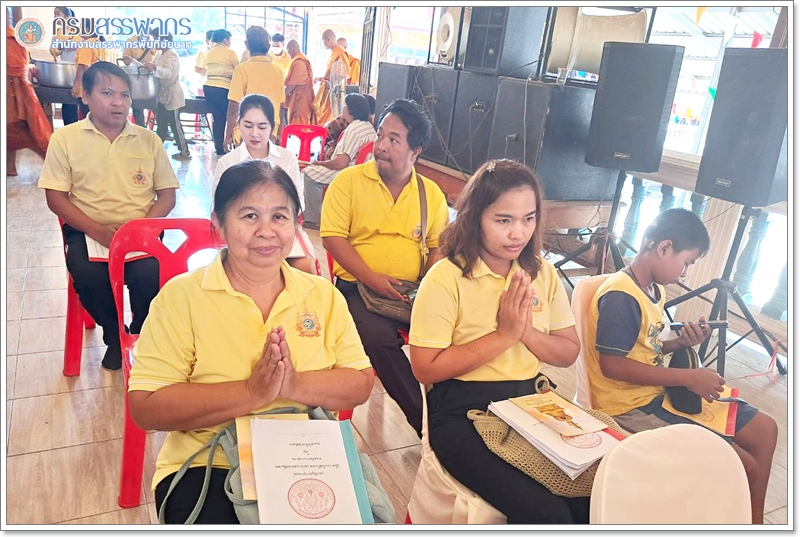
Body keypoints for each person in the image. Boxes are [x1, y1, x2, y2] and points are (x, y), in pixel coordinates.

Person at [127, 159, 374, 524]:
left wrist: (296, 384)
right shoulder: (182, 297)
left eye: (279, 216)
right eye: (248, 216)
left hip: (304, 455)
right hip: (209, 459)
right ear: (218, 225)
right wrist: (252, 392)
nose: (266, 231)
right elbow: (146, 406)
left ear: (296, 223)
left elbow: (360, 383)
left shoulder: (322, 295)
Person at [409, 159, 589, 524]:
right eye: (503, 220)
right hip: (463, 411)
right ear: (475, 217)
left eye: (529, 218)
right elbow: (424, 367)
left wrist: (525, 332)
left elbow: (568, 352)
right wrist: (504, 335)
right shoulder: (447, 277)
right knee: (547, 514)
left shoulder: (542, 272)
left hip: (530, 402)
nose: (517, 233)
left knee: (594, 496)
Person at [584, 208, 778, 524]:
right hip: (630, 406)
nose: (685, 273)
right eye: (686, 263)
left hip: (660, 391)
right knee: (744, 466)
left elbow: (648, 348)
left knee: (765, 428)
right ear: (663, 248)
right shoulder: (621, 296)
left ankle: (752, 523)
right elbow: (613, 366)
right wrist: (688, 377)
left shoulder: (653, 290)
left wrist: (683, 343)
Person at [37, 61, 179, 370]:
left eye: (125, 95)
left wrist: (140, 230)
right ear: (85, 96)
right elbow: (55, 198)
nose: (118, 102)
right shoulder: (65, 139)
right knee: (88, 277)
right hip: (88, 233)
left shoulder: (148, 140)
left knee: (152, 276)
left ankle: (141, 334)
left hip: (141, 233)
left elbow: (167, 196)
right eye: (107, 93)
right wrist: (98, 231)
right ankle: (115, 336)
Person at [321, 98, 449, 436]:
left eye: (394, 140)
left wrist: (428, 285)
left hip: (410, 294)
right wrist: (373, 279)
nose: (381, 146)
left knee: (464, 328)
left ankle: (461, 414)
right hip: (357, 291)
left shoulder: (430, 194)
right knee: (378, 340)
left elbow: (439, 247)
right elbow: (333, 240)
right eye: (380, 136)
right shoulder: (348, 182)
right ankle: (431, 428)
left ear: (415, 152)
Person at [213, 94, 316, 275]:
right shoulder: (228, 163)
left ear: (272, 127)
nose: (254, 134)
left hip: (279, 231)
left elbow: (298, 203)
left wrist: (277, 218)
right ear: (238, 125)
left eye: (262, 127)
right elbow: (217, 207)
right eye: (248, 125)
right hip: (243, 233)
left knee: (305, 267)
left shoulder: (287, 158)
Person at [302, 93, 375, 227]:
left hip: (347, 172)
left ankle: (314, 219)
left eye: (344, 106)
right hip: (362, 171)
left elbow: (340, 163)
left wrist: (319, 163)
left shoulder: (354, 130)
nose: (343, 108)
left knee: (308, 173)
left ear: (351, 110)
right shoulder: (368, 127)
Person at [224, 26, 284, 150]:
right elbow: (281, 105)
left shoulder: (242, 69)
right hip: (269, 130)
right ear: (268, 47)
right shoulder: (277, 71)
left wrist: (228, 134)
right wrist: (279, 133)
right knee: (264, 168)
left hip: (245, 131)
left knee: (245, 168)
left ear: (247, 44)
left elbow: (234, 106)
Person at [7, 19, 52, 176]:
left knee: (33, 134)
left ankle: (59, 169)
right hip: (13, 92)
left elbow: (16, 67)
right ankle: (9, 166)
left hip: (15, 93)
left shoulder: (11, 38)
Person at [144, 33, 191, 161]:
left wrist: (154, 67)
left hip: (172, 94)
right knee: (162, 124)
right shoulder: (159, 54)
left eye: (156, 40)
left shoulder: (172, 55)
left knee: (175, 125)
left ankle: (184, 151)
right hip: (162, 94)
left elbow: (168, 73)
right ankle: (157, 150)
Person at [203, 29, 239, 155]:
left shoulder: (209, 53)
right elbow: (238, 70)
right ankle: (226, 144)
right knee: (226, 116)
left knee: (217, 117)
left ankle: (218, 146)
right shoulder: (230, 53)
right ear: (225, 40)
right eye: (230, 39)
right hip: (223, 87)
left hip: (208, 87)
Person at [121, 28, 160, 127]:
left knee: (154, 104)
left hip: (149, 78)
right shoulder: (131, 41)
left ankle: (160, 126)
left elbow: (157, 60)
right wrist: (134, 62)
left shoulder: (153, 43)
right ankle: (140, 128)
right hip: (135, 79)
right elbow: (125, 60)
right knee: (137, 105)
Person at [50, 7, 82, 126]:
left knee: (84, 103)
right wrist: (58, 47)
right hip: (66, 72)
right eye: (54, 14)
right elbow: (52, 50)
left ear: (67, 17)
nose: (55, 17)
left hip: (82, 70)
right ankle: (69, 130)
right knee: (68, 102)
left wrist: (76, 46)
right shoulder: (58, 32)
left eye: (57, 14)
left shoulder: (80, 30)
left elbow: (92, 45)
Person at [312, 29, 351, 126]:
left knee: (328, 120)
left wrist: (332, 84)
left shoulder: (340, 52)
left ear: (328, 40)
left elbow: (344, 75)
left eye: (323, 41)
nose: (323, 44)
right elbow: (331, 74)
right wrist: (321, 78)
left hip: (335, 92)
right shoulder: (334, 52)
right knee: (322, 117)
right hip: (328, 90)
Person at [71, 30, 108, 120]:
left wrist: (76, 86)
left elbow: (83, 66)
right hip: (99, 85)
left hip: (87, 86)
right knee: (97, 118)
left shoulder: (86, 45)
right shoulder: (100, 44)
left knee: (88, 118)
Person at [283, 39, 316, 126]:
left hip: (301, 100)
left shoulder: (299, 62)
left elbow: (292, 85)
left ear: (291, 48)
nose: (288, 54)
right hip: (298, 98)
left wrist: (281, 97)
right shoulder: (298, 60)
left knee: (299, 126)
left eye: (288, 51)